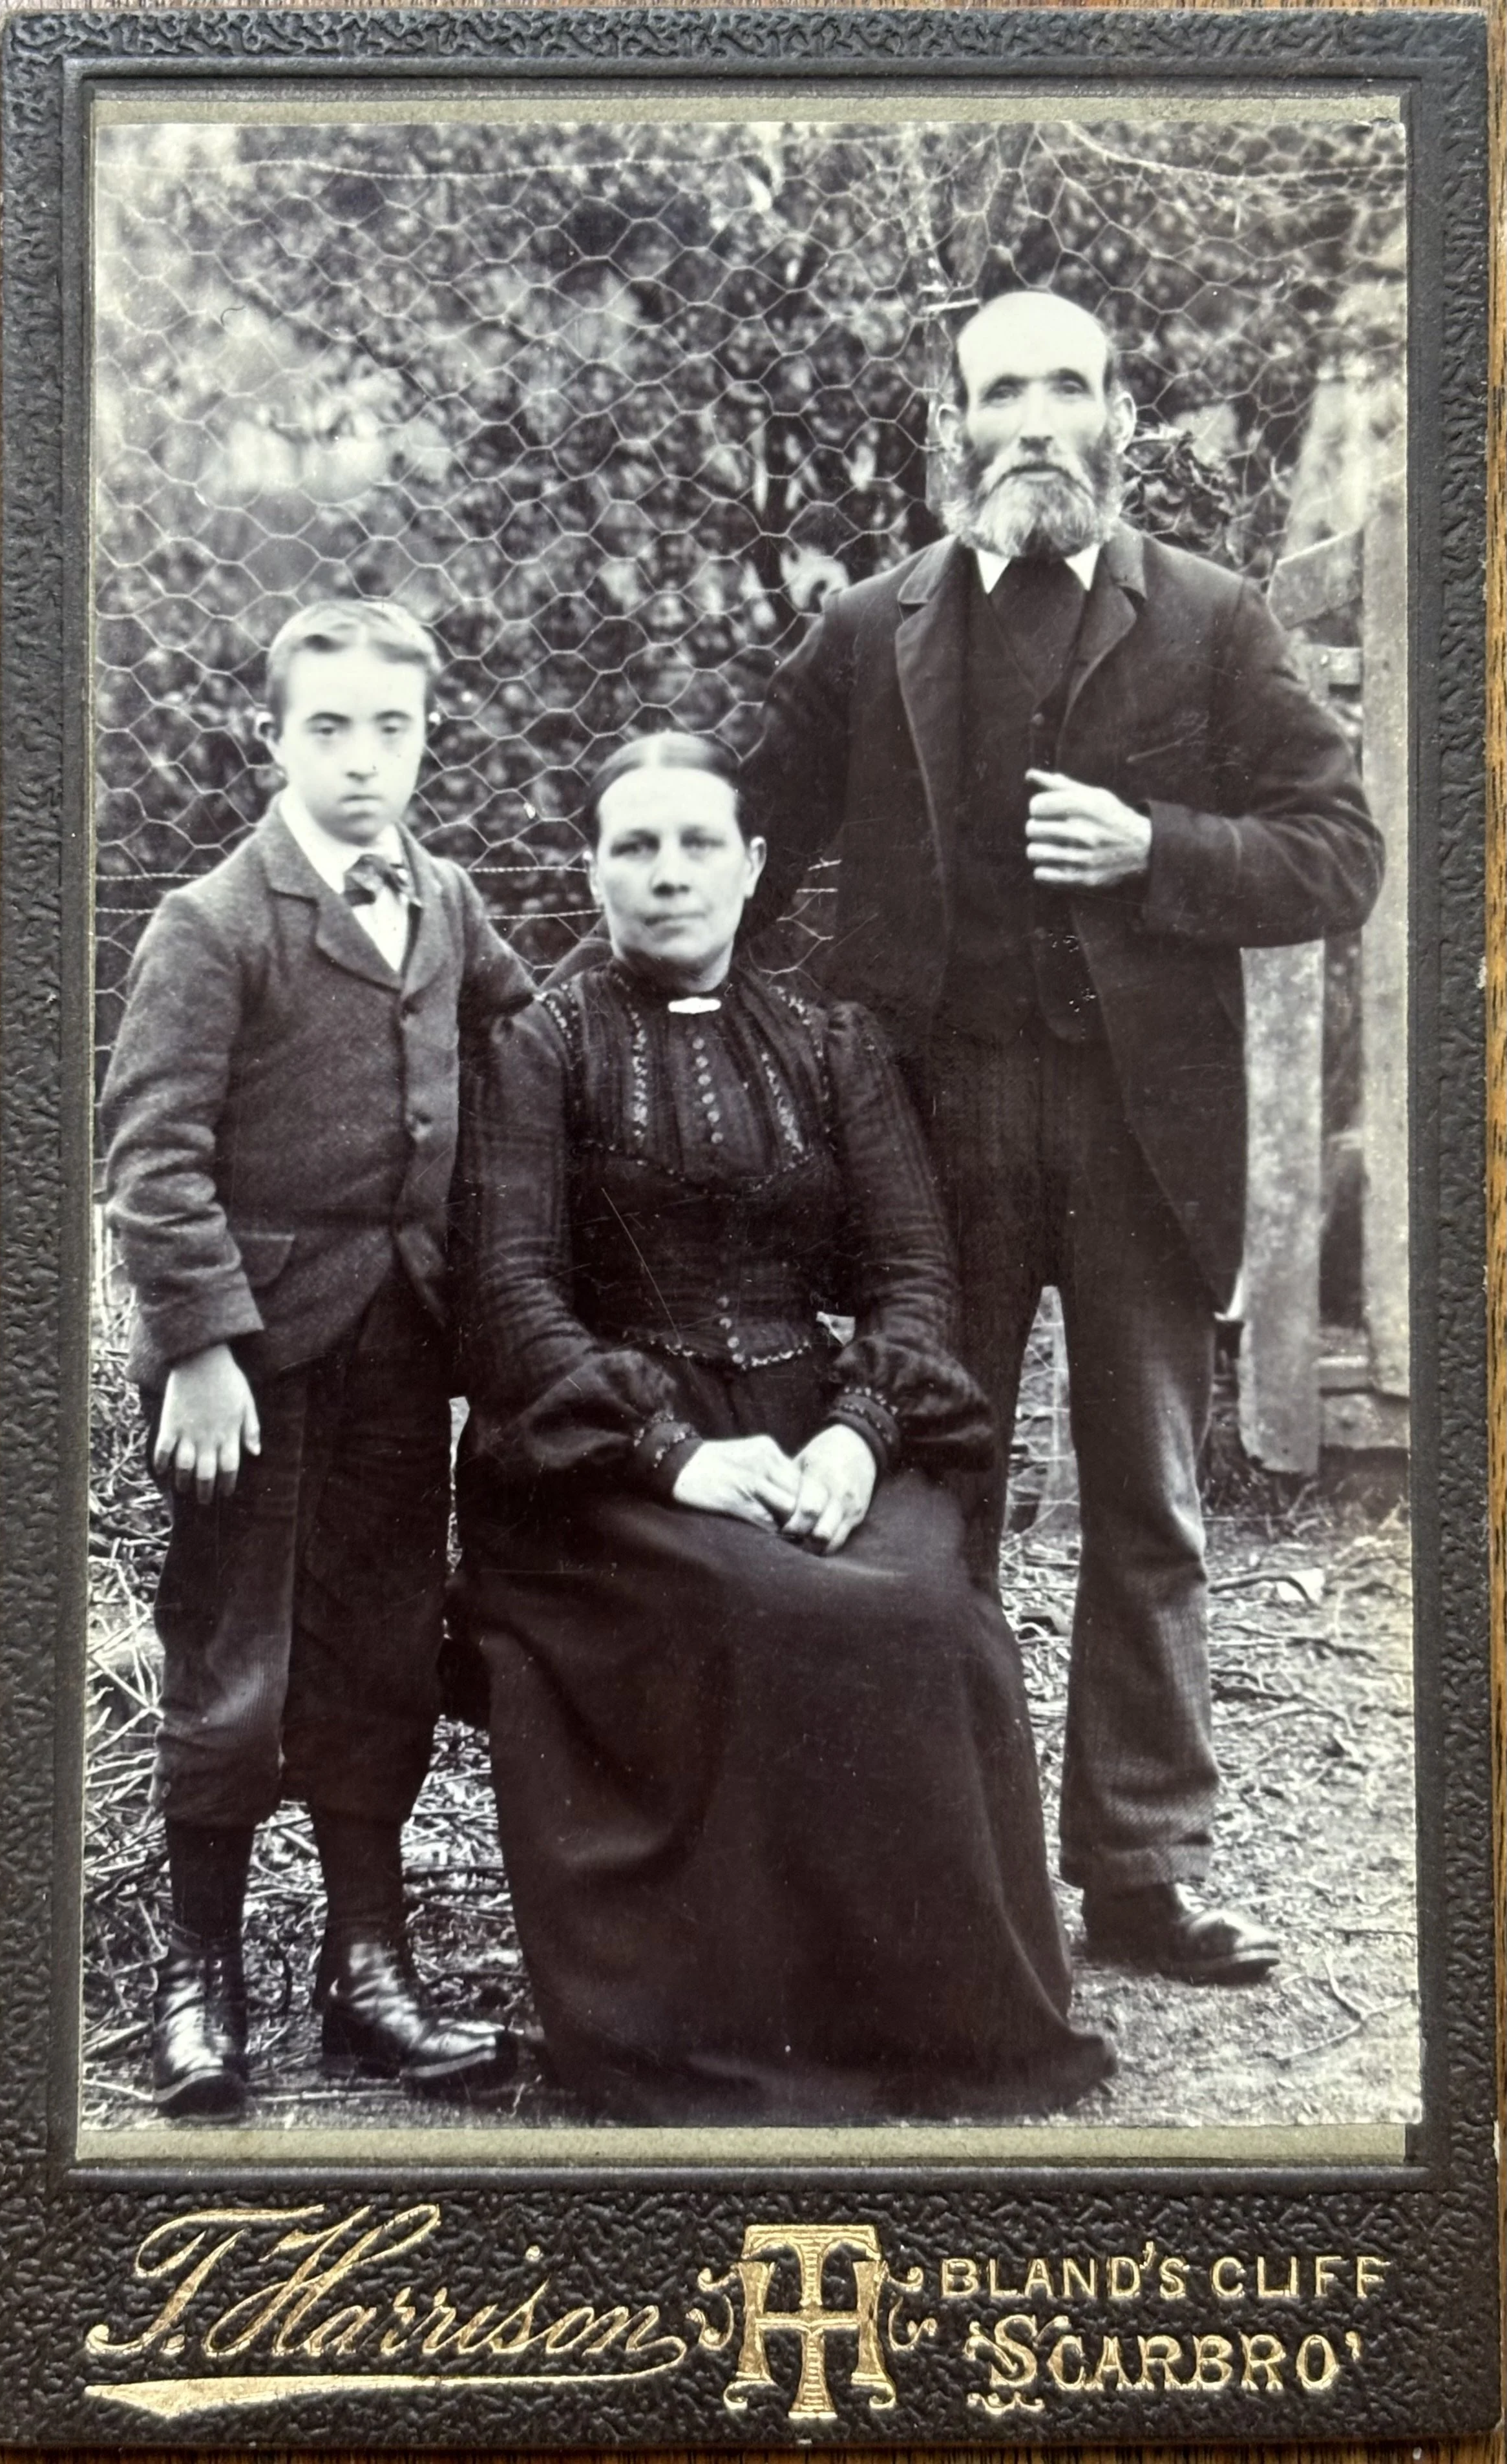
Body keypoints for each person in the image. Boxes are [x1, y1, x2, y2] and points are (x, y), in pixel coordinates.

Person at [741, 289, 1386, 1988]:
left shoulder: (1208, 619)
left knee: (1147, 1502)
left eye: (1067, 386)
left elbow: (1340, 849)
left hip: (1137, 1127)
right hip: (925, 1124)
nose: (1034, 419)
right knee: (920, 1489)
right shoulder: (871, 628)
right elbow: (738, 836)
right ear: (952, 425)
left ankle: (1140, 1870)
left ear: (1118, 413)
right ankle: (920, 1864)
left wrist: (1157, 847)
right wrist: (649, 1045)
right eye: (999, 389)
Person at [449, 729, 1115, 2124]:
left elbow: (914, 1273)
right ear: (590, 871)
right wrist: (676, 1453)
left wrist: (861, 1433)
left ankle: (937, 2022)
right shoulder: (539, 1045)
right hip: (602, 1457)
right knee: (771, 1605)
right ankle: (740, 2035)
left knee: (923, 1610)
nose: (669, 873)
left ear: (756, 868)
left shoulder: (832, 1041)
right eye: (635, 845)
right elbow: (510, 1292)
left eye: (700, 843)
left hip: (817, 1421)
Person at [101, 598, 532, 2118]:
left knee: (377, 1647)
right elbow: (150, 1164)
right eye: (329, 727)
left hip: (405, 1348)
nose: (363, 760)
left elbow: (525, 1050)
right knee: (234, 1665)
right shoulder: (214, 924)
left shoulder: (452, 901)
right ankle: (198, 1978)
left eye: (393, 729)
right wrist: (203, 1350)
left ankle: (368, 1970)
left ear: (429, 740)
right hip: (258, 1365)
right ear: (270, 738)